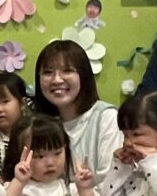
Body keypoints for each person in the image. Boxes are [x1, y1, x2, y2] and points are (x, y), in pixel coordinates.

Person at [34, 39, 119, 183]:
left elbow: (109, 182)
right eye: (48, 72)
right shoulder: (37, 125)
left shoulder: (106, 117)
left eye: (67, 71)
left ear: (84, 75)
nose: (56, 80)